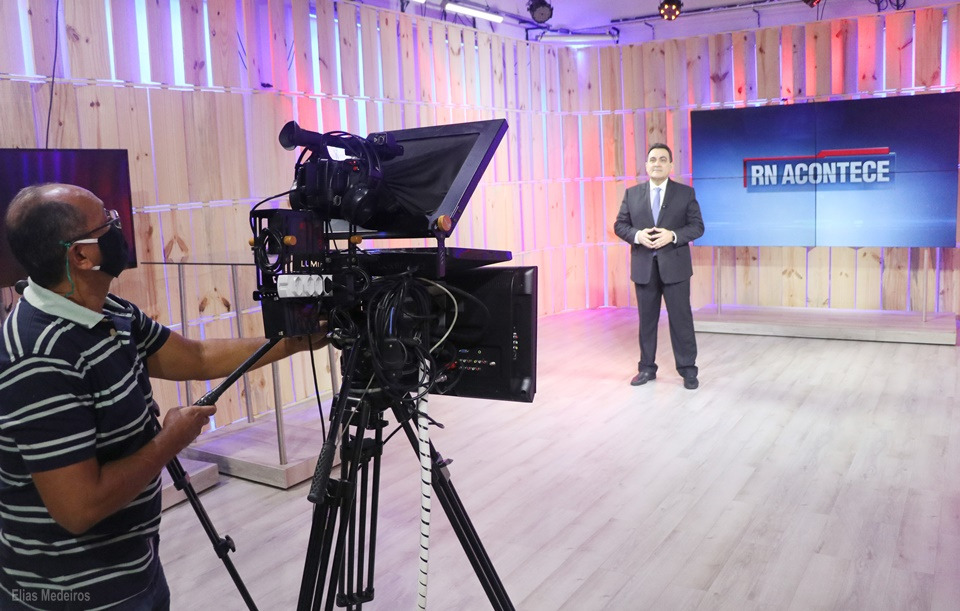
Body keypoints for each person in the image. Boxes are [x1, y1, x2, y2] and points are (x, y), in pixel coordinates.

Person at [0, 183, 325, 609]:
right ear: (80, 256)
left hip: (136, 567)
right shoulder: (38, 358)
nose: (119, 226)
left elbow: (196, 356)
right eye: (107, 223)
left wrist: (296, 342)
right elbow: (80, 507)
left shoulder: (108, 310)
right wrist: (172, 439)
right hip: (73, 592)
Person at [614, 143, 704, 390]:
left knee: (681, 320)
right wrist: (637, 235)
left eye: (663, 159)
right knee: (647, 321)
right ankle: (646, 368)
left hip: (675, 268)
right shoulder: (632, 194)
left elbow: (697, 226)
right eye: (653, 159)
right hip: (644, 268)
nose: (657, 163)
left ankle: (688, 370)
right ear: (646, 165)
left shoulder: (685, 194)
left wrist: (672, 236)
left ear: (671, 165)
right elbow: (620, 225)